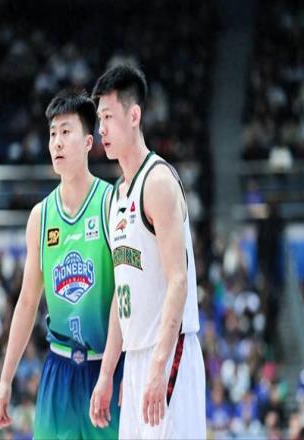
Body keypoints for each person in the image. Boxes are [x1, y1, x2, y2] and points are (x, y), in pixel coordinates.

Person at [0, 90, 122, 439]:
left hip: (106, 367)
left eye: (66, 132)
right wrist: (5, 379)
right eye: (52, 134)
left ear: (88, 142)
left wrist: (110, 372)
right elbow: (27, 301)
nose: (57, 142)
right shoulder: (40, 216)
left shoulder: (111, 204)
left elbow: (125, 295)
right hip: (59, 370)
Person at [89, 63, 206, 439]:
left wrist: (157, 366)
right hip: (137, 357)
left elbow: (178, 281)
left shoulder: (157, 182)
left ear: (134, 116)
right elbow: (121, 295)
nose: (101, 128)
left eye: (108, 117)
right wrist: (108, 373)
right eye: (99, 119)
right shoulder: (115, 196)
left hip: (169, 353)